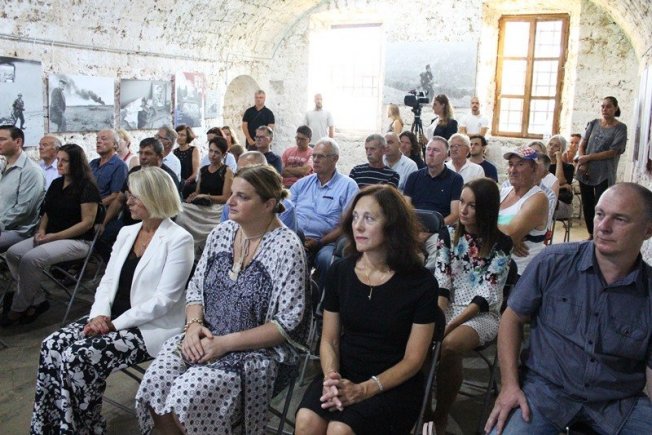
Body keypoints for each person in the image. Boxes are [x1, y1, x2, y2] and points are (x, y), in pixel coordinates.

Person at [135, 165, 308, 435]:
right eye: (232, 193)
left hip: (256, 352)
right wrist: (193, 326)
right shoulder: (222, 233)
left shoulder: (287, 247)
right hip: (206, 335)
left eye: (242, 196)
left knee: (187, 394)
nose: (230, 201)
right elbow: (196, 287)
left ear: (269, 204)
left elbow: (286, 324)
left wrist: (224, 344)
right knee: (155, 383)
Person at [30, 167, 194, 434]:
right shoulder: (128, 232)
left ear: (154, 197)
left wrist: (113, 325)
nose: (128, 201)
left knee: (78, 357)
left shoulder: (178, 239)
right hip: (109, 317)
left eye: (135, 196)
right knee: (52, 345)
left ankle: (86, 428)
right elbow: (107, 281)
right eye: (129, 195)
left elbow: (164, 300)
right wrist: (99, 315)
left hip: (147, 327)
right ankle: (47, 427)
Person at [485, 183, 652, 435]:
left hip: (617, 402)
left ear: (648, 230)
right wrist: (509, 385)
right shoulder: (553, 262)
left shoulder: (648, 291)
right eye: (599, 214)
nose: (603, 226)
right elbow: (512, 317)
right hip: (545, 392)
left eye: (620, 219)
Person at [295, 185, 439, 435]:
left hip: (393, 381)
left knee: (340, 430)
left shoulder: (421, 283)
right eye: (355, 217)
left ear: (392, 225)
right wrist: (331, 378)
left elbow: (414, 360)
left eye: (369, 218)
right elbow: (329, 340)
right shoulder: (341, 271)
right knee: (307, 421)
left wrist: (364, 389)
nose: (358, 226)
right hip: (345, 370)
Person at [429, 178, 513, 434]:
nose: (463, 210)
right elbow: (442, 280)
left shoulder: (501, 243)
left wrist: (448, 326)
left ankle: (441, 414)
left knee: (449, 345)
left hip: (482, 314)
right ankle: (422, 410)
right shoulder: (448, 234)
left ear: (486, 209)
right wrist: (439, 317)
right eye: (462, 202)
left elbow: (486, 295)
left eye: (472, 206)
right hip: (449, 305)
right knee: (419, 338)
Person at [2, 144, 100, 326]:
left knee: (31, 259)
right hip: (50, 236)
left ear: (76, 164)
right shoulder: (56, 184)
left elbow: (86, 223)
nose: (59, 164)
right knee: (13, 253)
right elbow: (46, 213)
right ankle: (37, 298)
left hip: (77, 241)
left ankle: (18, 307)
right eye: (58, 160)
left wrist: (55, 236)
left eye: (64, 161)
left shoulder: (87, 187)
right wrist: (41, 230)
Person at [290, 138, 358, 290]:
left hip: (327, 243)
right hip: (295, 238)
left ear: (335, 159)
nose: (315, 160)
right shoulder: (302, 184)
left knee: (328, 261)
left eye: (320, 156)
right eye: (313, 156)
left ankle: (322, 301)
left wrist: (320, 242)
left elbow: (348, 224)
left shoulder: (348, 186)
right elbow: (285, 213)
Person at [576, 96, 627, 238]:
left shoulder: (620, 128)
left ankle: (600, 234)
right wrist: (583, 161)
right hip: (585, 170)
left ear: (615, 108)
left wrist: (588, 158)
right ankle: (591, 234)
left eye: (608, 106)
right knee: (587, 204)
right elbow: (582, 144)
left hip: (604, 173)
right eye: (603, 106)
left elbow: (613, 151)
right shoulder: (593, 123)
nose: (605, 109)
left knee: (601, 206)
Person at [176, 136, 234, 254]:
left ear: (224, 154)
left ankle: (201, 249)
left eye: (217, 152)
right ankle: (186, 248)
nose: (212, 155)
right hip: (202, 206)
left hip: (216, 209)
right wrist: (193, 197)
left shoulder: (226, 171)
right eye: (211, 151)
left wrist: (207, 197)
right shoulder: (203, 170)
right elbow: (198, 192)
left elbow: (225, 198)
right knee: (180, 211)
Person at [498, 146, 548, 276]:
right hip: (497, 266)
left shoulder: (538, 198)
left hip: (521, 271)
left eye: (520, 164)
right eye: (510, 164)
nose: (513, 170)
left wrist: (509, 237)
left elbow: (508, 236)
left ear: (534, 169)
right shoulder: (503, 192)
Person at [220, 151, 297, 231]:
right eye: (239, 170)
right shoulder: (230, 205)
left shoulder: (286, 208)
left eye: (250, 171)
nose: (243, 175)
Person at [0, 125, 45, 251]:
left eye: (2, 139)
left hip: (18, 231)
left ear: (18, 142)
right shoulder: (3, 166)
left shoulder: (31, 171)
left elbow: (23, 210)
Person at [404, 136, 463, 227]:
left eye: (436, 150)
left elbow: (455, 214)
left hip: (440, 227)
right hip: (414, 226)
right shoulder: (413, 177)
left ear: (446, 155)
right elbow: (406, 208)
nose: (430, 153)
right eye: (428, 149)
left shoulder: (455, 179)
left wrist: (433, 228)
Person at [90, 129, 129, 209]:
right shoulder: (93, 163)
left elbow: (116, 196)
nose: (98, 141)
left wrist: (93, 207)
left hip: (103, 210)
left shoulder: (120, 166)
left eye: (103, 139)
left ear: (114, 144)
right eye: (97, 139)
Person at [546, 135, 575, 219]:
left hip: (562, 204)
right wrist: (562, 186)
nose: (551, 148)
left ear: (562, 149)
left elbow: (558, 181)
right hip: (545, 200)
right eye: (550, 144)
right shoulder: (542, 166)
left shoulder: (569, 167)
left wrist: (559, 159)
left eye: (556, 146)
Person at [173, 124, 200, 198]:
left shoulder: (194, 150)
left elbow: (195, 173)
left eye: (182, 135)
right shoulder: (174, 151)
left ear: (188, 136)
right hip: (177, 185)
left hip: (189, 186)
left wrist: (184, 183)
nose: (179, 137)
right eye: (178, 134)